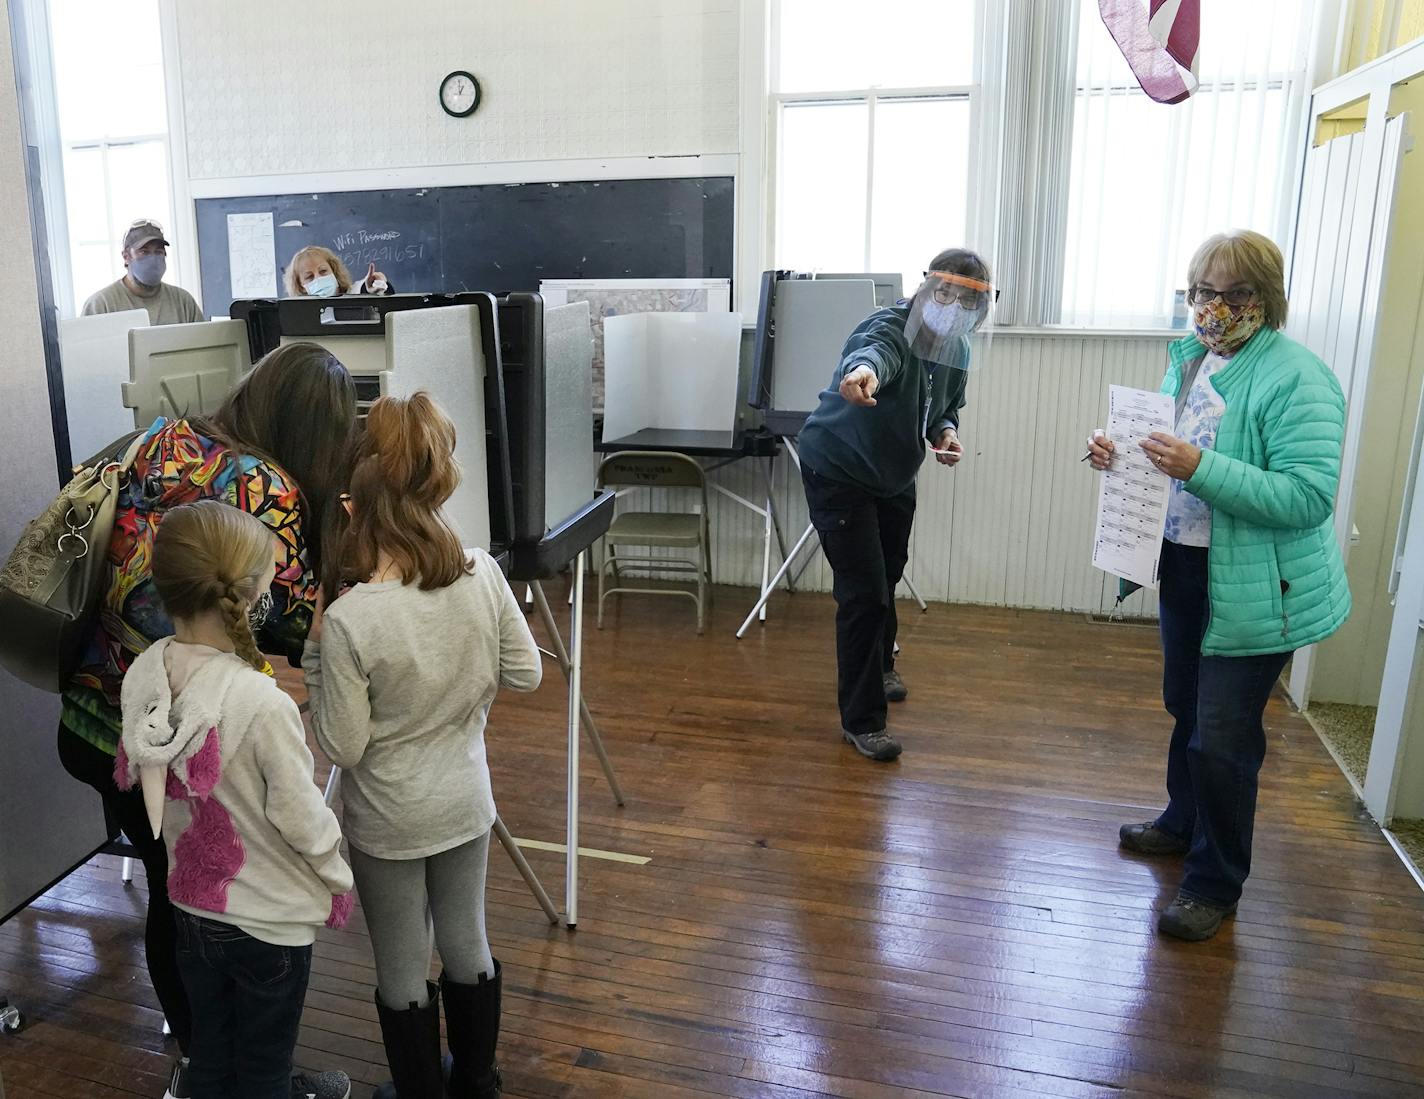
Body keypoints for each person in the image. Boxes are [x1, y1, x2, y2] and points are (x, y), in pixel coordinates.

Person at [56, 342, 358, 1099]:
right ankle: (249, 1076)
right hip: (199, 735)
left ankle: (199, 1063)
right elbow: (275, 625)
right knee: (217, 903)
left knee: (171, 891)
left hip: (104, 714)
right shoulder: (274, 489)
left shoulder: (167, 437)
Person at [1086, 229, 1351, 942]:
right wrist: (1119, 454)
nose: (1215, 307)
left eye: (1235, 294)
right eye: (1204, 291)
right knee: (1186, 708)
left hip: (1260, 586)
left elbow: (1307, 496)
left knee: (1225, 738)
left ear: (1267, 299)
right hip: (1187, 565)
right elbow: (1172, 450)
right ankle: (1181, 821)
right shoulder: (1194, 357)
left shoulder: (1299, 376)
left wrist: (1199, 467)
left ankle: (1214, 882)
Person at [304, 392, 541, 1099]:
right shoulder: (481, 571)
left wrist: (316, 656)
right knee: (468, 940)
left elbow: (343, 745)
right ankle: (477, 1081)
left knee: (403, 966)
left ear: (355, 502)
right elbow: (525, 671)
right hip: (466, 799)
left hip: (389, 820)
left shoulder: (350, 619)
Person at [117, 501, 354, 1099]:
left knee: (212, 1060)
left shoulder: (142, 673)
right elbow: (301, 817)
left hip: (191, 914)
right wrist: (336, 880)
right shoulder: (263, 703)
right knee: (265, 1071)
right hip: (270, 924)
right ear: (251, 594)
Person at [797, 248, 994, 762]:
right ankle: (862, 721)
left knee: (889, 573)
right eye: (944, 293)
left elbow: (943, 406)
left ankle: (881, 667)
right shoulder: (888, 327)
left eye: (966, 300)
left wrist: (946, 433)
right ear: (926, 290)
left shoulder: (959, 349)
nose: (951, 306)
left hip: (892, 472)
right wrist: (863, 375)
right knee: (863, 594)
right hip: (838, 467)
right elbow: (872, 355)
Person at [82, 219, 203, 325]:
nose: (153, 259)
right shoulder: (101, 305)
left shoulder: (183, 302)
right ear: (126, 256)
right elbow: (85, 349)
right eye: (144, 252)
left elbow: (204, 347)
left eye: (158, 252)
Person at [285, 245, 394, 298]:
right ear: (300, 286)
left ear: (334, 270)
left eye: (323, 271)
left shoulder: (353, 292)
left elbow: (364, 290)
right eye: (309, 277)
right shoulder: (299, 314)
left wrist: (374, 287)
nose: (318, 278)